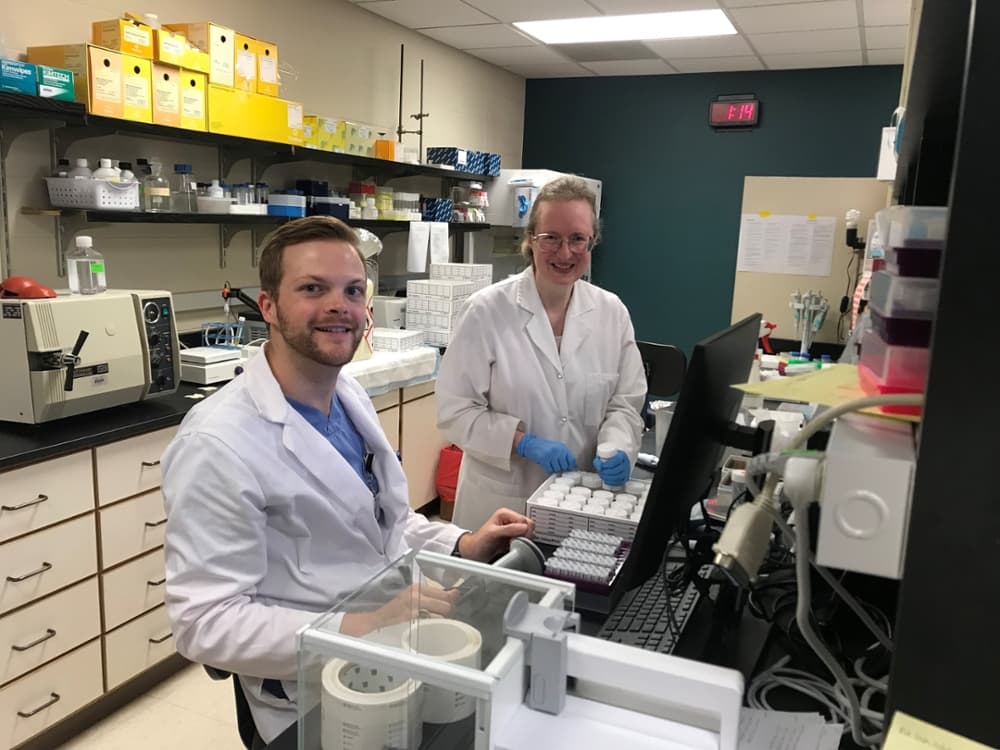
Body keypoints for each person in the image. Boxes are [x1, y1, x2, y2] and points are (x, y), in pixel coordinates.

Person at [161, 216, 534, 745]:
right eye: (314, 288)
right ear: (267, 306)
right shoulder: (217, 443)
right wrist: (363, 626)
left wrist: (465, 543)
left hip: (391, 653)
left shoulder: (348, 396)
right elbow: (205, 624)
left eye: (353, 290)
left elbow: (387, 524)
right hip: (309, 694)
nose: (340, 305)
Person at [437, 176, 646, 530]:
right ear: (531, 240)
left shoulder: (612, 313)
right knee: (493, 585)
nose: (565, 253)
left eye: (578, 239)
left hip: (581, 498)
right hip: (500, 502)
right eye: (551, 238)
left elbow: (624, 403)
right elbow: (454, 411)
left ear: (592, 242)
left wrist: (618, 445)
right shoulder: (486, 311)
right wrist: (522, 443)